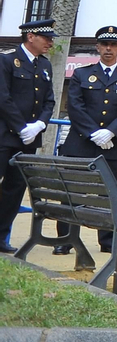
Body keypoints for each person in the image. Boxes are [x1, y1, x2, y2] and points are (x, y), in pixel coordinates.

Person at [59, 26, 117, 252]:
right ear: (97, 47)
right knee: (73, 192)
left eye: (113, 45)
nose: (108, 49)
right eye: (104, 44)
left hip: (114, 146)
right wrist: (93, 133)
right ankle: (65, 240)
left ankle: (107, 242)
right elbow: (74, 106)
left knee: (110, 195)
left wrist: (111, 131)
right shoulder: (81, 74)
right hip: (81, 143)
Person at [0, 20, 58, 254]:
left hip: (28, 140)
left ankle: (1, 235)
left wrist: (39, 125)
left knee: (14, 190)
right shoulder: (7, 60)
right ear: (31, 36)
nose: (50, 43)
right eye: (47, 38)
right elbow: (3, 98)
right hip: (5, 135)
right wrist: (21, 126)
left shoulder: (44, 65)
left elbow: (49, 100)